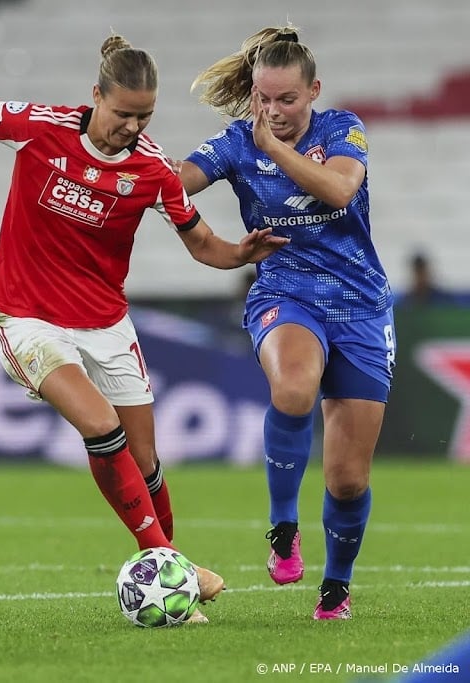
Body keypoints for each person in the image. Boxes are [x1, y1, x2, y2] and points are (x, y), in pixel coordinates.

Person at [0, 33, 288, 624]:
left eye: (144, 116)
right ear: (96, 97)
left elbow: (204, 245)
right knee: (100, 426)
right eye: (121, 114)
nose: (131, 127)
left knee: (146, 461)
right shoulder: (40, 125)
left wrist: (242, 253)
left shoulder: (153, 170)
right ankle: (166, 563)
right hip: (27, 317)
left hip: (107, 324)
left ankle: (173, 575)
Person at [179, 26, 395, 620]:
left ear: (313, 92)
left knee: (348, 480)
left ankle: (336, 588)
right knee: (294, 387)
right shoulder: (234, 142)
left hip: (360, 305)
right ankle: (282, 526)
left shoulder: (341, 129)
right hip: (284, 291)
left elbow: (341, 190)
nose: (272, 112)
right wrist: (113, 160)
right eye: (262, 99)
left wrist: (274, 149)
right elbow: (172, 183)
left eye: (286, 100)